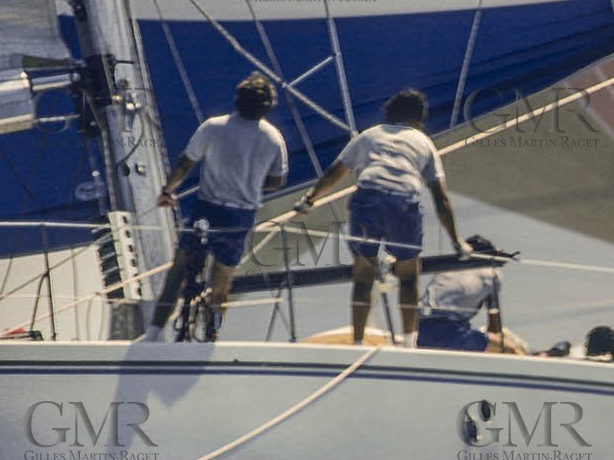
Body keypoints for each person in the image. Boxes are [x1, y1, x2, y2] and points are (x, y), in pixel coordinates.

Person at [295, 88, 468, 346]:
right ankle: (409, 342)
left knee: (364, 275)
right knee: (408, 275)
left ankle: (357, 341)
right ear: (419, 118)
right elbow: (440, 199)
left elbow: (335, 172)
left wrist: (309, 200)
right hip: (402, 202)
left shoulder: (370, 135)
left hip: (367, 198)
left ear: (389, 112)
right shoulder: (423, 143)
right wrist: (457, 242)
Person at [140, 73, 288, 342]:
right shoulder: (273, 138)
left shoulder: (213, 127)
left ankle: (153, 333)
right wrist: (252, 183)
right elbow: (277, 182)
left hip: (207, 209)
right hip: (240, 217)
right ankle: (212, 333)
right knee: (222, 280)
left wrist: (167, 191)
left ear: (238, 100)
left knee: (179, 270)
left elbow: (186, 164)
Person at [414, 235, 526, 353]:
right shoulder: (491, 273)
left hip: (419, 330)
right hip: (451, 332)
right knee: (511, 349)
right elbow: (494, 326)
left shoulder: (448, 269)